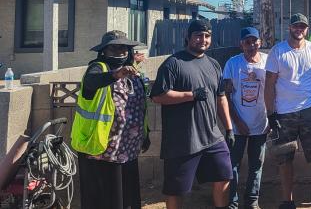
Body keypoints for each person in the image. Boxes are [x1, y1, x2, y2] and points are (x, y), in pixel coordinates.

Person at [151, 19, 235, 209]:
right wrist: (191, 95)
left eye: (207, 36)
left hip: (212, 136)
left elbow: (220, 97)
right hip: (182, 140)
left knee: (224, 175)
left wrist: (229, 128)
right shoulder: (173, 63)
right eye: (198, 35)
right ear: (187, 37)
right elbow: (158, 96)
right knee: (176, 189)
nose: (202, 40)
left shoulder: (214, 65)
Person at [72, 30, 149, 209]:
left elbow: (140, 108)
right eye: (114, 48)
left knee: (127, 196)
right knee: (106, 199)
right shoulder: (99, 67)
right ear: (104, 51)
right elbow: (91, 81)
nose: (120, 51)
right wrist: (115, 74)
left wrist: (145, 135)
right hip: (101, 149)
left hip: (128, 147)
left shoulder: (134, 73)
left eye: (124, 47)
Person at [265, 13, 311, 209]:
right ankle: (288, 201)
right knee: (285, 159)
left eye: (302, 27)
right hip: (284, 114)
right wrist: (270, 114)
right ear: (290, 28)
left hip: (310, 111)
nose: (299, 30)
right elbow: (269, 85)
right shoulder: (278, 52)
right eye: (296, 26)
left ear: (307, 29)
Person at [222, 27, 269, 209]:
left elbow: (273, 92)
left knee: (256, 165)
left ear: (260, 42)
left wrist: (271, 118)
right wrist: (238, 122)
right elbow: (225, 95)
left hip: (261, 124)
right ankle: (232, 203)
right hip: (237, 125)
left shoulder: (267, 61)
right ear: (241, 44)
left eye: (254, 41)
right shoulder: (232, 64)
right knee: (232, 165)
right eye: (247, 42)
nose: (251, 45)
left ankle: (252, 201)